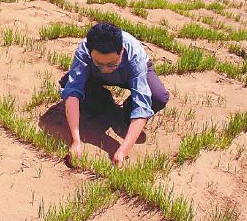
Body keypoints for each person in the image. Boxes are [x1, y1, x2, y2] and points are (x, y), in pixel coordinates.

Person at [60, 22, 170, 167]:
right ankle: (103, 99)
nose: (105, 68)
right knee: (86, 100)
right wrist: (75, 141)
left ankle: (127, 109)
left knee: (157, 97)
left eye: (111, 64)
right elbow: (73, 92)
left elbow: (142, 106)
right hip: (95, 76)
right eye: (99, 63)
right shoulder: (84, 49)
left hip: (127, 76)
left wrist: (122, 151)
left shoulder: (134, 55)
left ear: (122, 51)